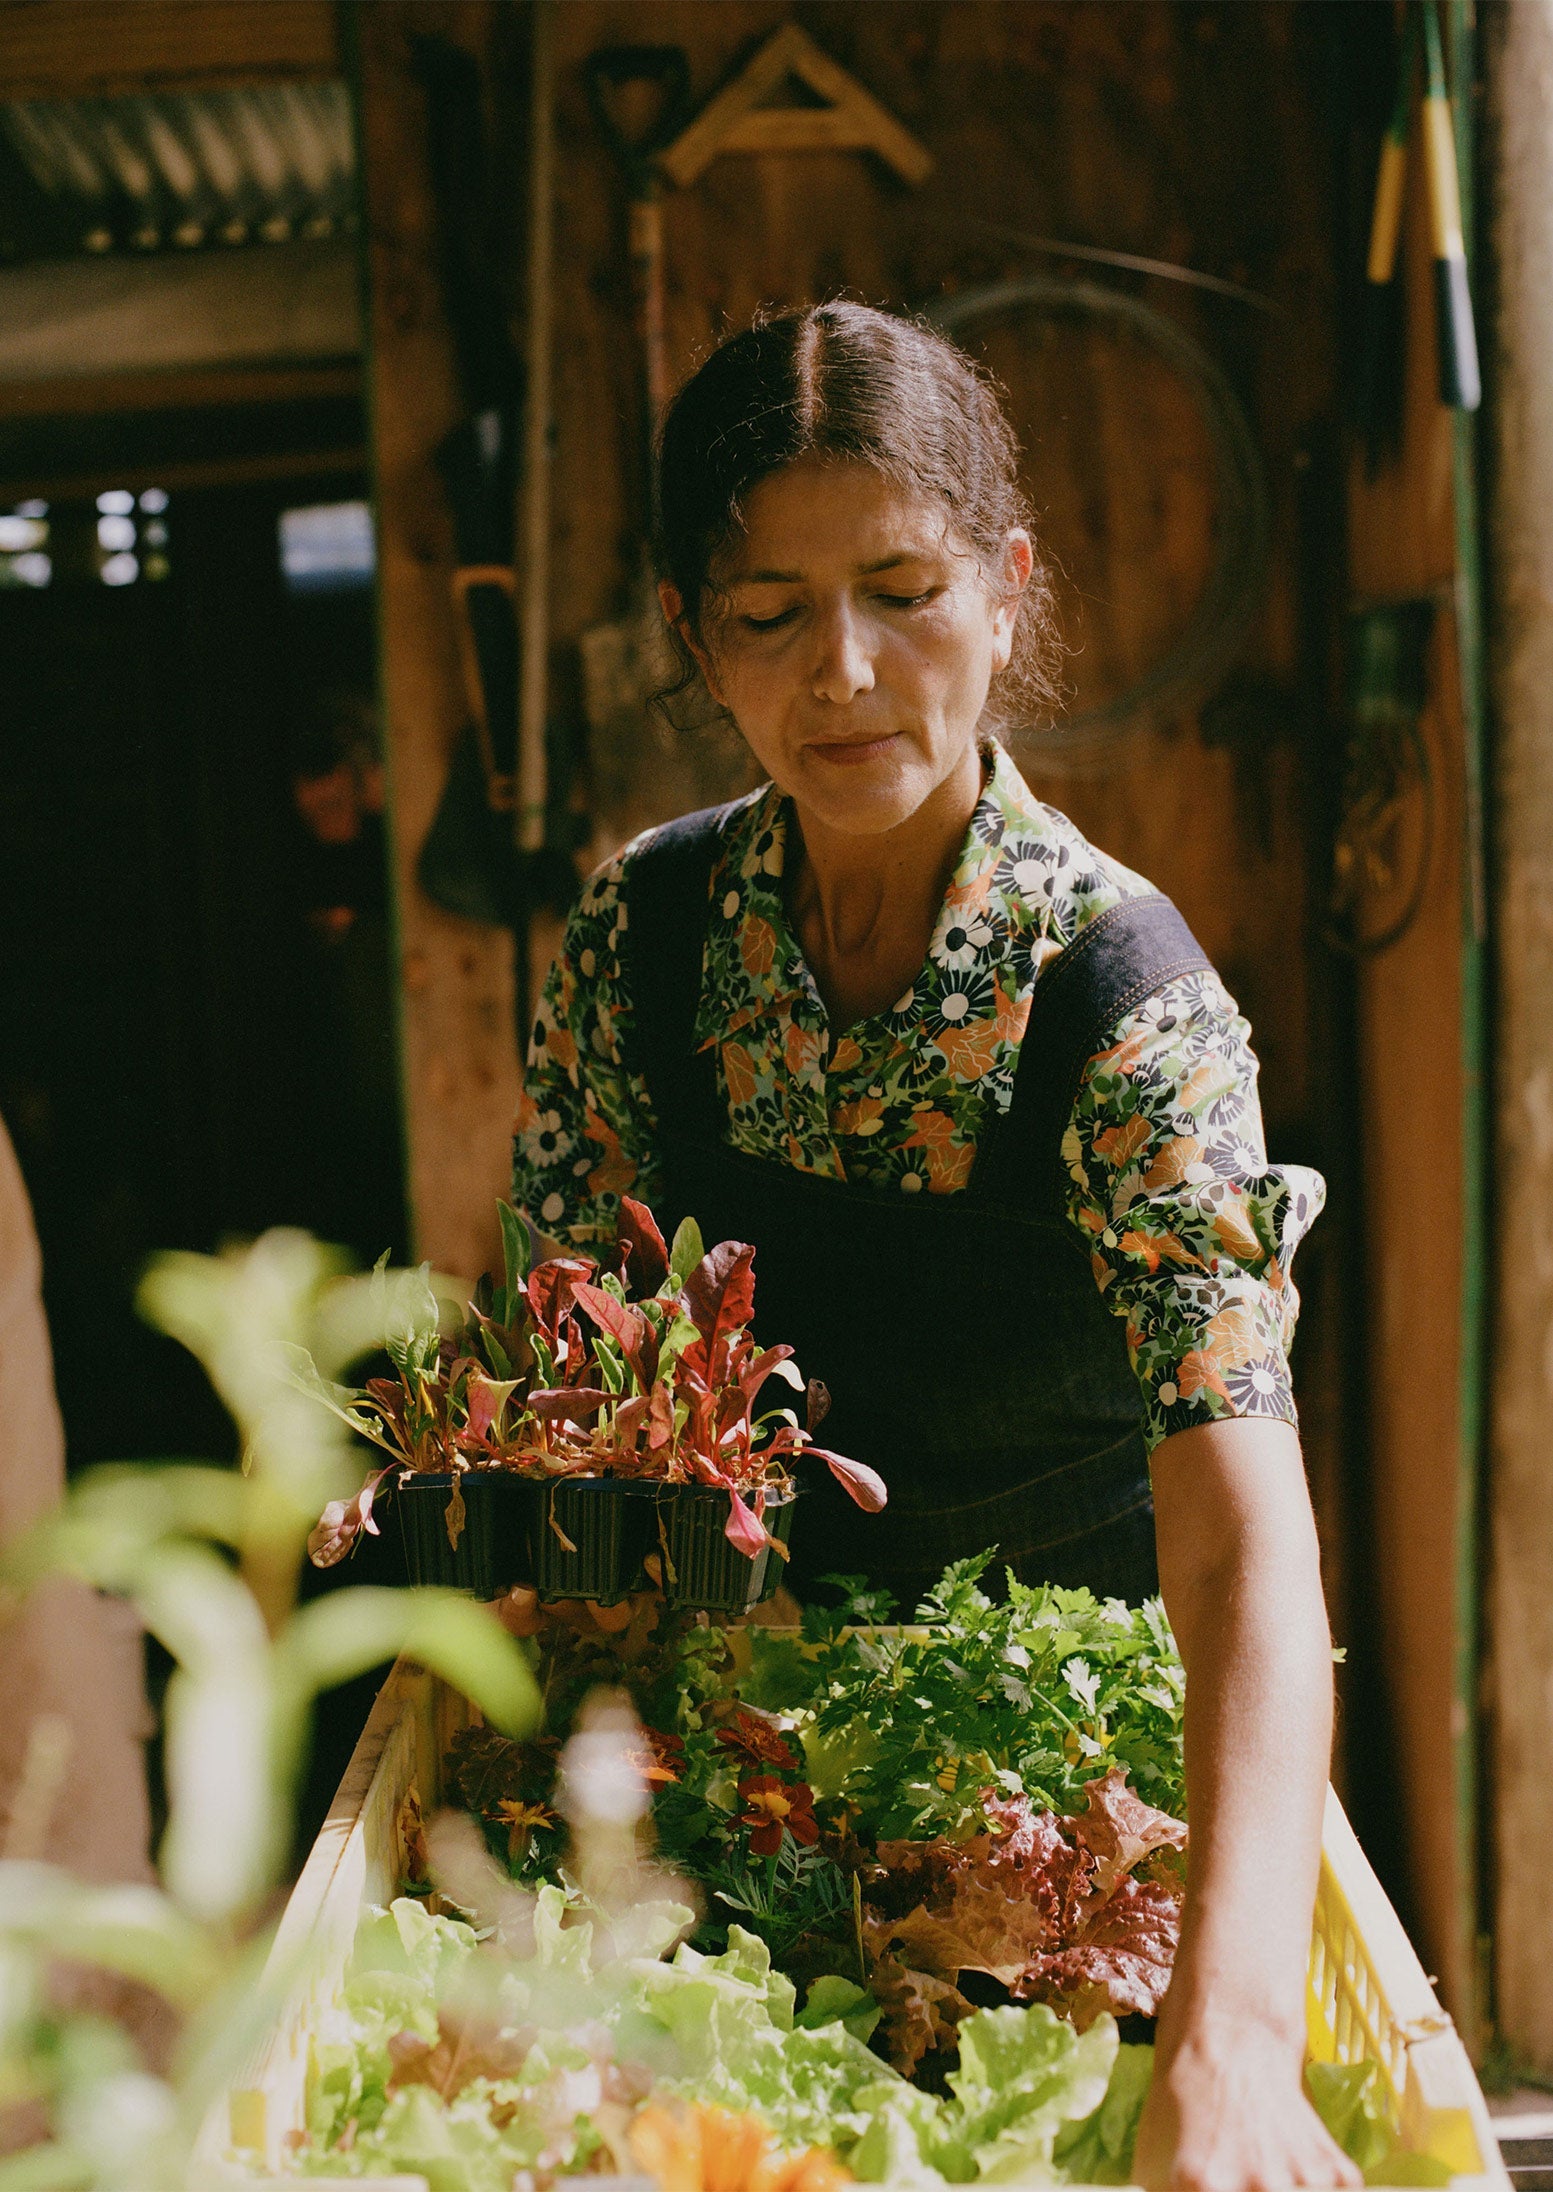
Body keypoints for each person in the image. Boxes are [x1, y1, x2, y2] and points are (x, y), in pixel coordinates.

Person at [512, 303, 1355, 2192]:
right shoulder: (639, 947)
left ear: (1005, 589)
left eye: (902, 588)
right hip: (733, 1739)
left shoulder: (1127, 1005)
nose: (843, 669)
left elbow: (1242, 1533)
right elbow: (579, 1409)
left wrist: (1229, 2041)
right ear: (688, 631)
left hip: (1074, 1773)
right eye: (768, 610)